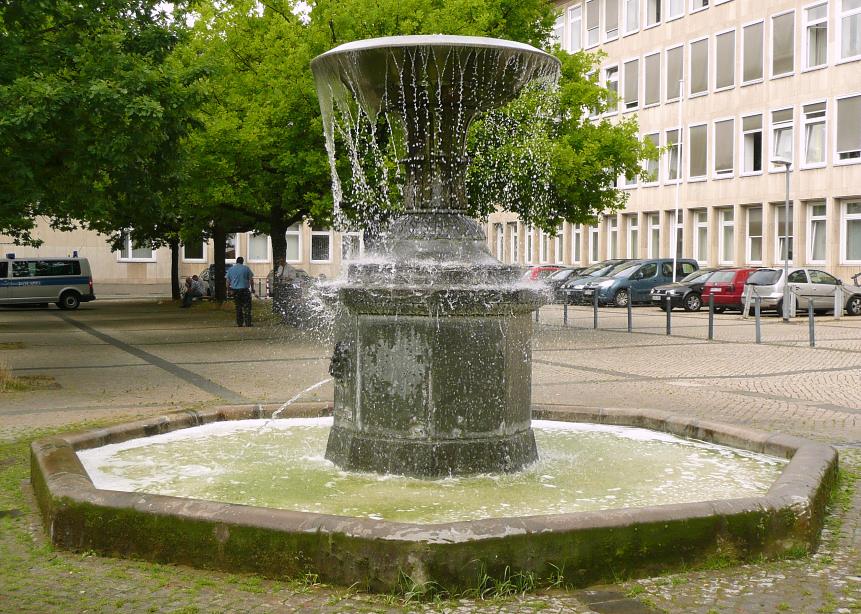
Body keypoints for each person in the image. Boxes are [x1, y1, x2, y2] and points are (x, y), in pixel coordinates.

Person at [226, 256, 254, 326]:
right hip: (245, 290)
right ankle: (248, 323)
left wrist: (229, 290)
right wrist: (252, 289)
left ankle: (239, 323)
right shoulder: (246, 268)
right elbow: (251, 280)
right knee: (247, 307)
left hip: (235, 291)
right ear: (242, 261)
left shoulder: (231, 269)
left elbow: (227, 282)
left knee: (238, 307)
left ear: (236, 261)